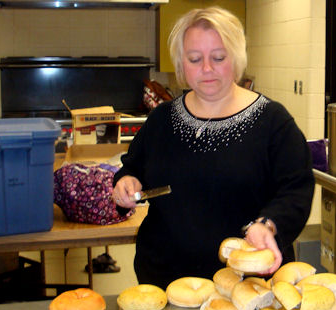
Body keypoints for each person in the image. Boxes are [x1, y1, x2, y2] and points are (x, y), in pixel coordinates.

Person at [112, 6, 315, 289]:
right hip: (165, 282)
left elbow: (296, 189)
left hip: (247, 285)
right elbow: (133, 167)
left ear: (236, 57)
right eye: (195, 59)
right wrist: (125, 181)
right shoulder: (161, 120)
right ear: (182, 64)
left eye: (218, 57)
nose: (206, 69)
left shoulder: (273, 122)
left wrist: (269, 224)